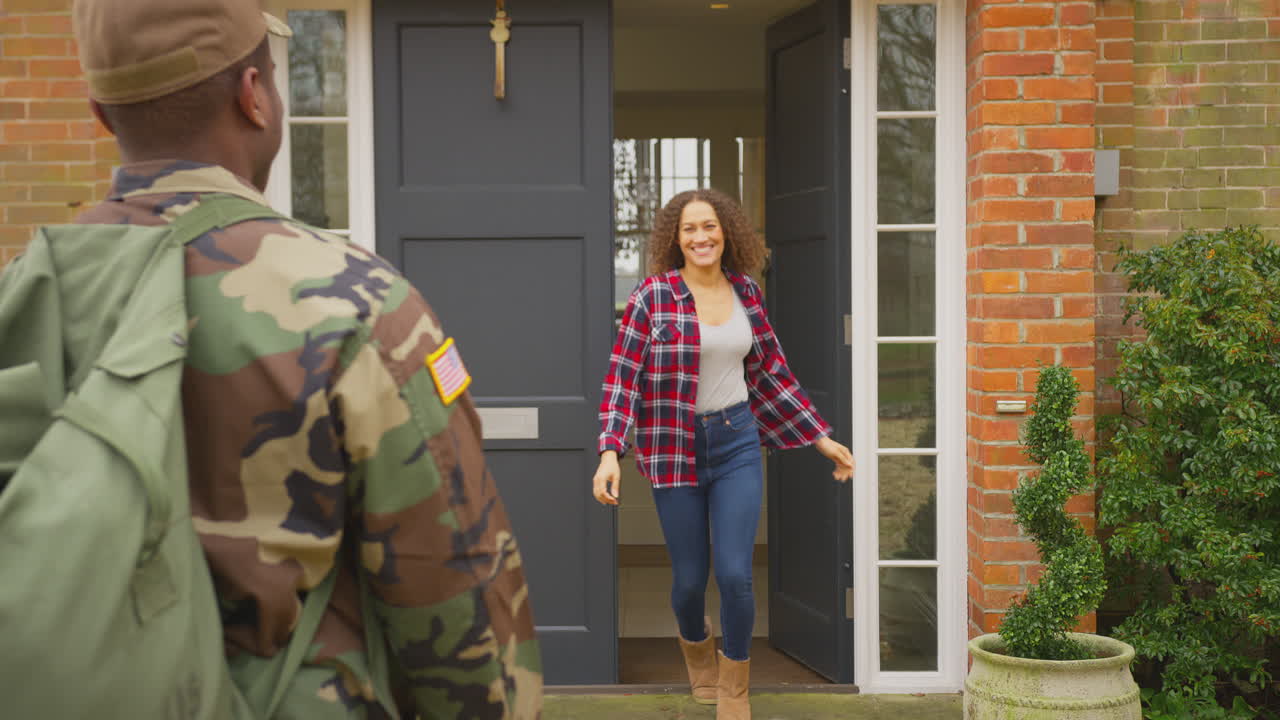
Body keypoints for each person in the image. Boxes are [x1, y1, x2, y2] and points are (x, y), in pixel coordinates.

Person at [70, 1, 541, 717]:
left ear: (102, 114)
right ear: (254, 96)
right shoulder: (358, 302)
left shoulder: (26, 294)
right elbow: (456, 601)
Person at [592, 188, 854, 719]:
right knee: (689, 581)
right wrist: (609, 453)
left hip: (735, 440)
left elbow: (772, 377)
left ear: (727, 231)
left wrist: (822, 438)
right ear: (675, 238)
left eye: (709, 226)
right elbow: (623, 379)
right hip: (672, 447)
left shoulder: (748, 294)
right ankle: (697, 651)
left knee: (735, 573)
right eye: (689, 229)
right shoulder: (652, 297)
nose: (701, 237)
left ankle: (734, 684)